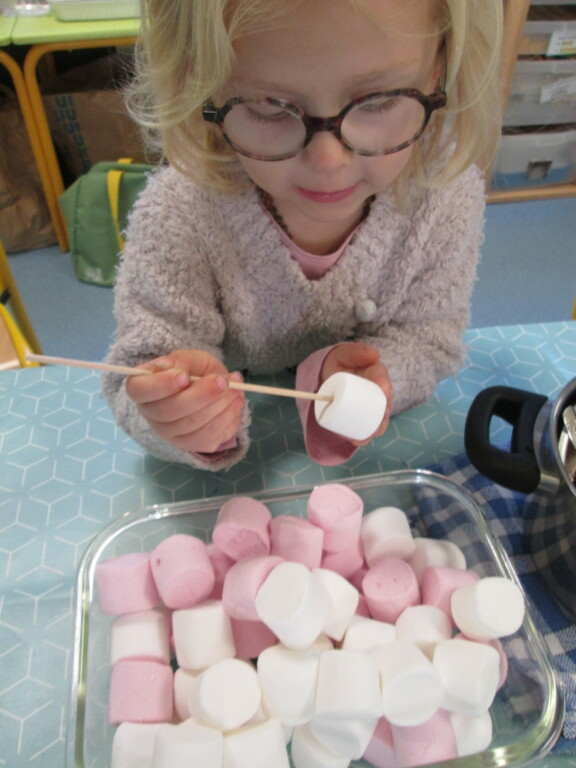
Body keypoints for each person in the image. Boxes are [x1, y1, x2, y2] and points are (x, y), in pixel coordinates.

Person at [102, 0, 503, 471]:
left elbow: (430, 341)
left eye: (378, 101)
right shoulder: (180, 213)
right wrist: (180, 417)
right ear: (200, 84)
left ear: (438, 69)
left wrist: (374, 380)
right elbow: (138, 371)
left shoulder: (443, 193)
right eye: (269, 108)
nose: (328, 161)